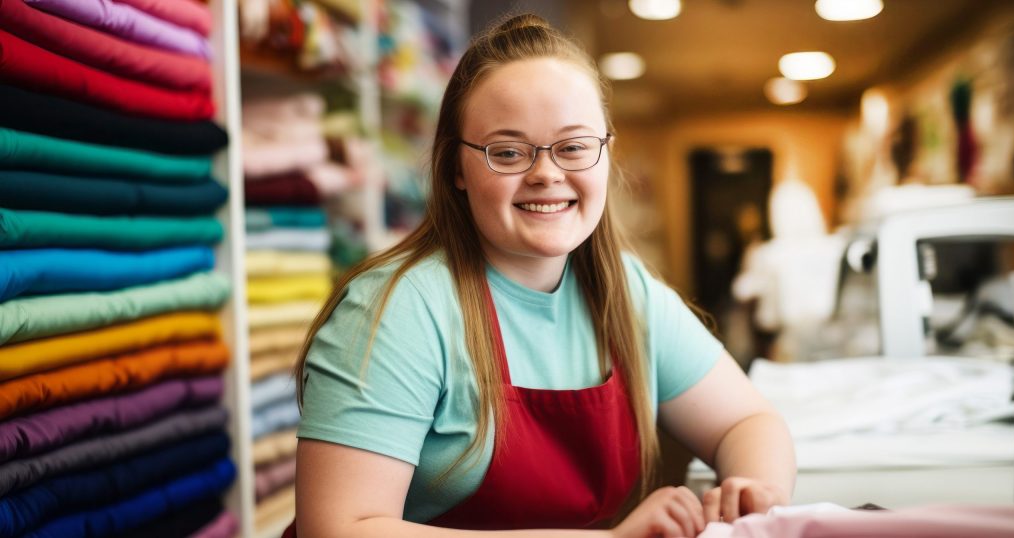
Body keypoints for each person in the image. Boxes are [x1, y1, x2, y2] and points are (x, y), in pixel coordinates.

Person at [289, 14, 795, 538]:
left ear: (605, 153)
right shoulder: (397, 309)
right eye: (507, 152)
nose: (547, 174)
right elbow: (337, 529)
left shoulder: (625, 290)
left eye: (574, 146)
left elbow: (749, 421)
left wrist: (755, 494)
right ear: (456, 169)